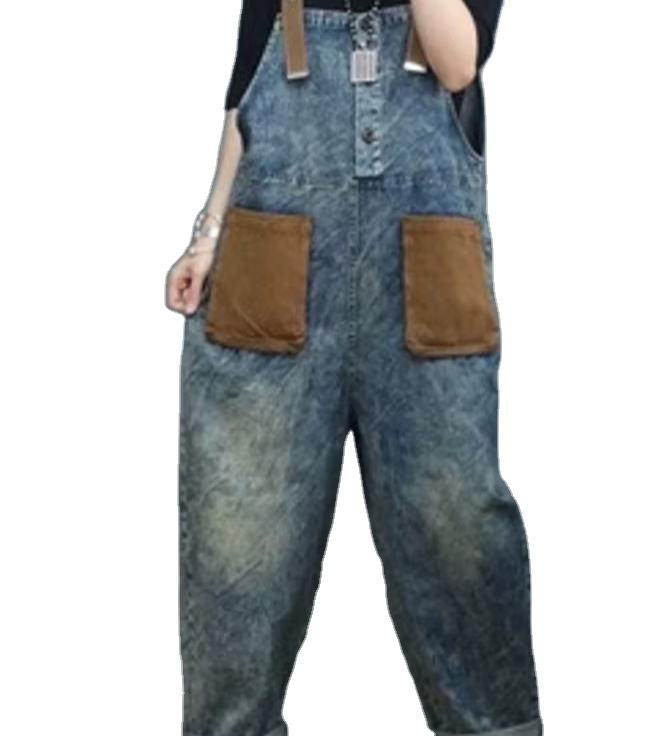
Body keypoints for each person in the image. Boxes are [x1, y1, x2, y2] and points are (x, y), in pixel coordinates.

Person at [165, 2, 543, 735]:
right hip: (270, 250)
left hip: (423, 268)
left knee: (457, 535)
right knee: (240, 554)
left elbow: (456, 61)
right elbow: (248, 84)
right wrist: (208, 230)